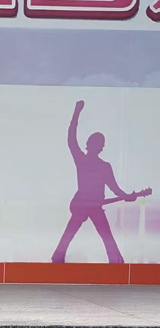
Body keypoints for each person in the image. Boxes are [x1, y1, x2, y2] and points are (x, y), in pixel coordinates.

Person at [51, 100, 140, 263]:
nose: (99, 146)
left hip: (92, 205)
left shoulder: (101, 165)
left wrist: (127, 196)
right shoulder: (84, 161)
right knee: (77, 233)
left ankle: (116, 260)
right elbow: (71, 139)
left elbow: (115, 189)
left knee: (101, 235)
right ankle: (114, 260)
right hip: (84, 204)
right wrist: (76, 113)